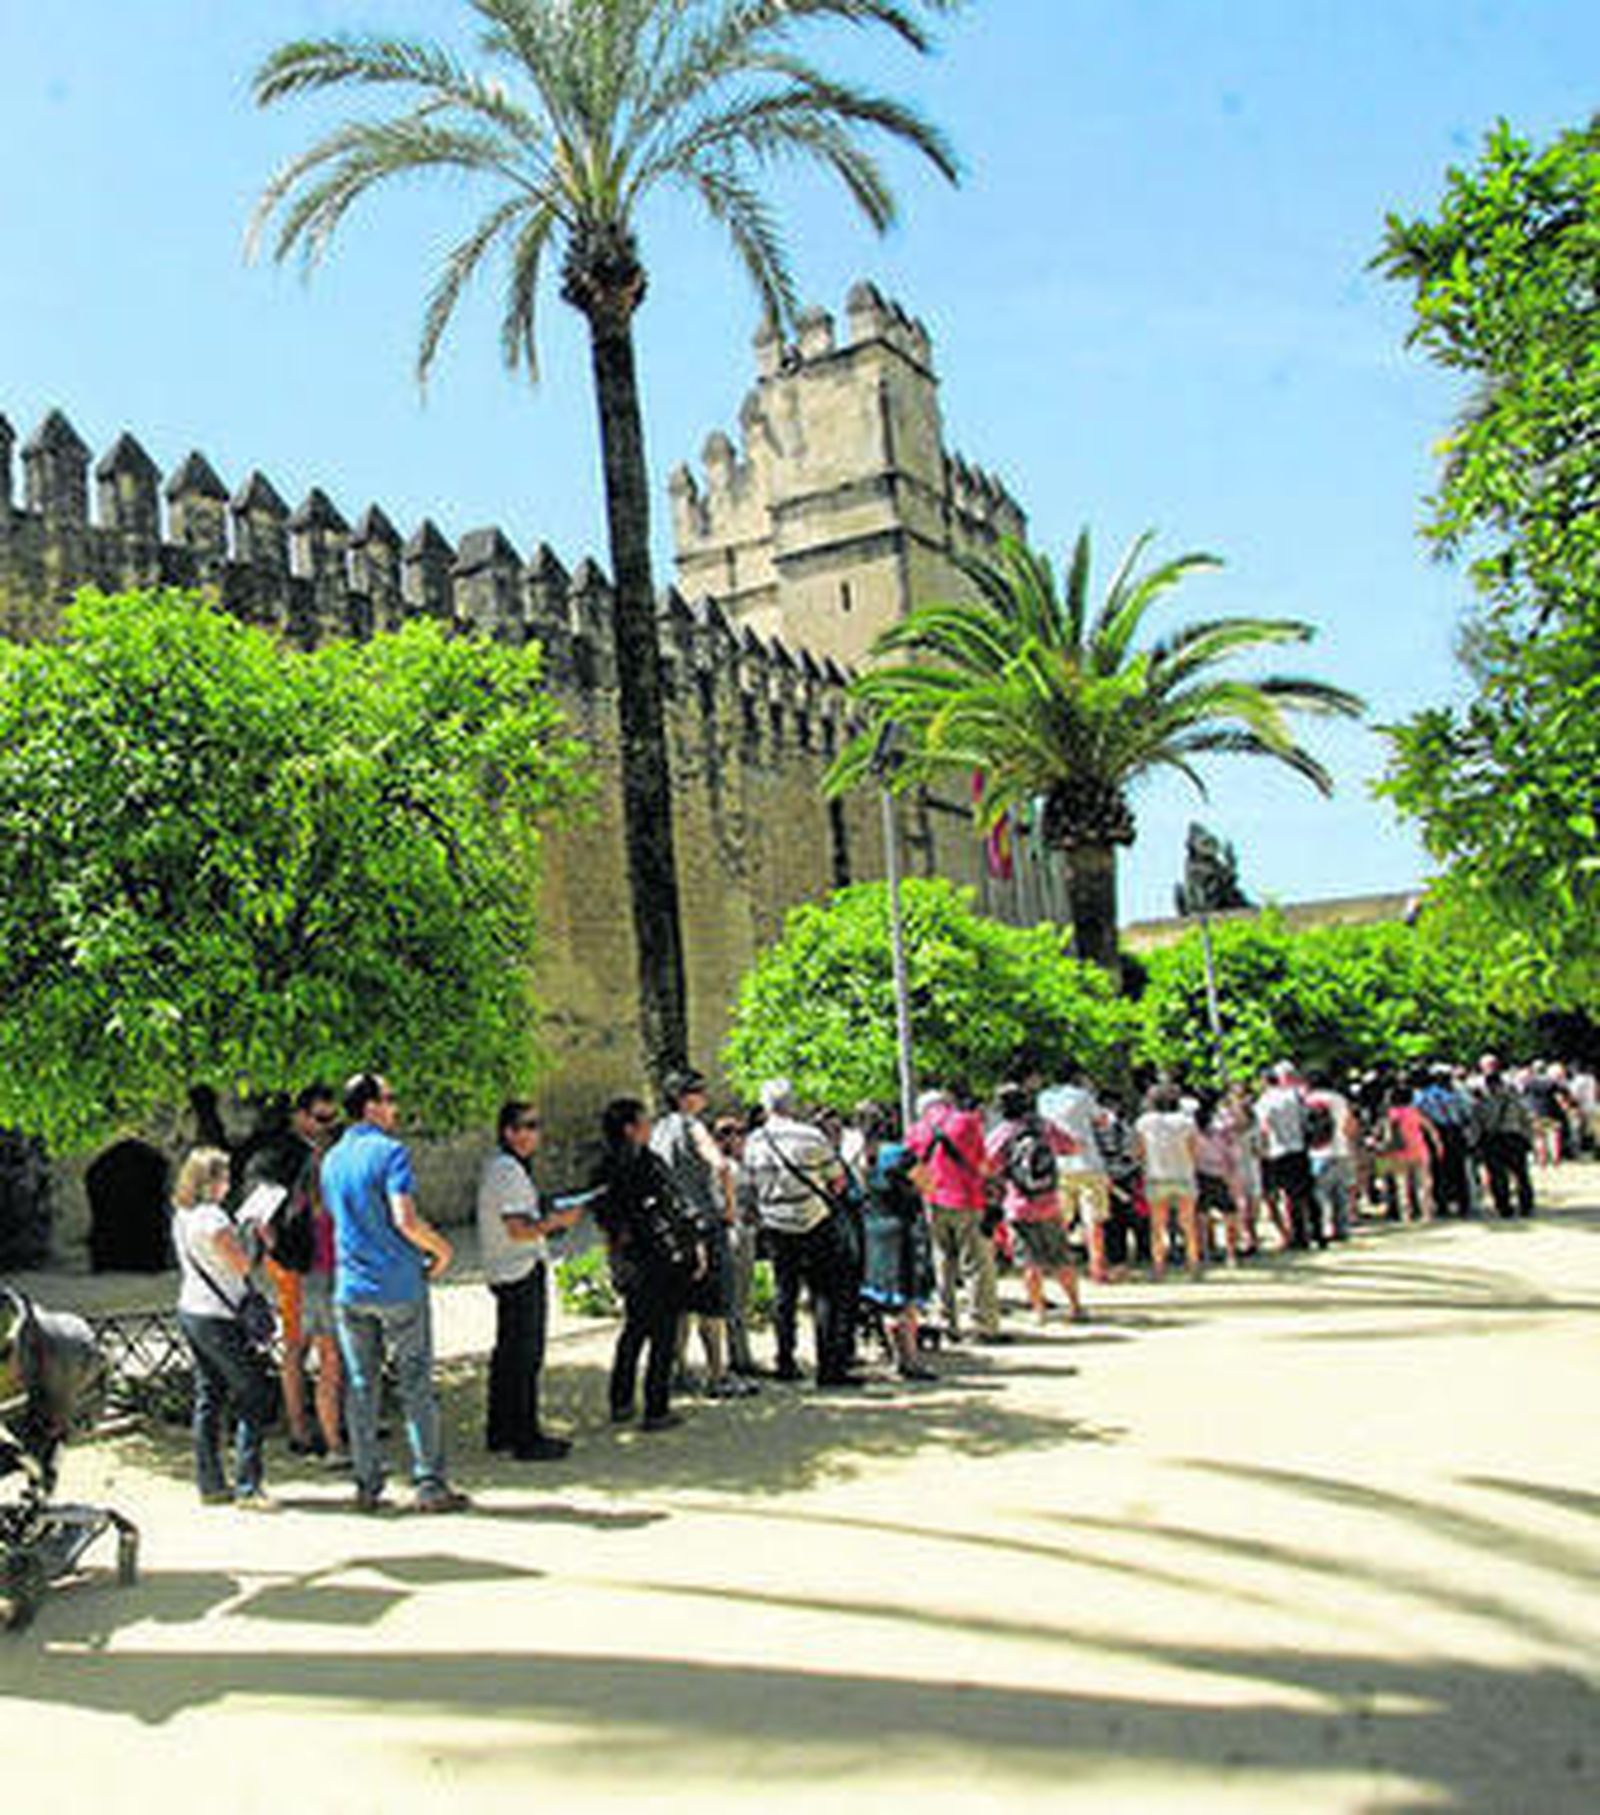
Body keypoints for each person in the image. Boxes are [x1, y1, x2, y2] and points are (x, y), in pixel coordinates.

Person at [320, 1073, 469, 1514]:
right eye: (389, 1099)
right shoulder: (390, 1152)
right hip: (398, 1284)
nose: (395, 1108)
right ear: (370, 1106)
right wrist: (441, 1249)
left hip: (350, 1286)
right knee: (416, 1383)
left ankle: (367, 1484)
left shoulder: (331, 1160)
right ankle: (429, 1482)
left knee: (361, 1386)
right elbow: (404, 1218)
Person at [239, 1082, 344, 1463]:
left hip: (325, 1259)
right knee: (298, 1345)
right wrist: (277, 1249)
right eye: (320, 1118)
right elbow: (258, 1210)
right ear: (299, 1116)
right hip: (296, 1261)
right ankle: (300, 1428)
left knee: (325, 1345)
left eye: (332, 1119)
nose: (327, 1125)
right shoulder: (278, 1154)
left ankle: (326, 1421)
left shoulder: (327, 1149)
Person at [171, 1146, 278, 1511]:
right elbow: (242, 1265)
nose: (228, 1184)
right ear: (210, 1181)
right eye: (224, 1177)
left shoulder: (183, 1216)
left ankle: (211, 1482)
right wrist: (254, 1234)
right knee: (253, 1393)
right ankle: (249, 1485)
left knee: (209, 1395)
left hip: (192, 1308)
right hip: (218, 1315)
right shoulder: (213, 1219)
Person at [479, 1101, 583, 1461]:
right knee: (524, 1356)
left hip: (509, 1269)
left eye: (535, 1126)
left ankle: (502, 1431)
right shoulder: (507, 1170)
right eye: (524, 1126)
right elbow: (518, 1228)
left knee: (510, 1354)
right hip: (519, 1268)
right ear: (508, 1132)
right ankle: (525, 1437)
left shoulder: (505, 1167)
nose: (531, 1134)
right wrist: (558, 1222)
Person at [593, 1097, 703, 1429]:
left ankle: (621, 1401)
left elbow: (604, 1217)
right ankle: (656, 1408)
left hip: (628, 1259)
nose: (650, 1128)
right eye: (645, 1122)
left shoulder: (603, 1168)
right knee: (662, 1333)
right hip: (656, 1258)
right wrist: (690, 1246)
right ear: (630, 1129)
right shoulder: (646, 1165)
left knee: (635, 1330)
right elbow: (672, 1209)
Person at [741, 1079, 857, 1385]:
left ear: (766, 1107)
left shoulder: (754, 1141)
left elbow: (749, 1187)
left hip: (776, 1225)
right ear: (792, 1104)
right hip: (814, 1220)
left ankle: (785, 1361)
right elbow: (838, 1180)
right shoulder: (811, 1136)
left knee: (785, 1293)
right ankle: (829, 1367)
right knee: (824, 1294)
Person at [652, 1069, 755, 1399]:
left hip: (674, 1226)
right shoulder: (692, 1126)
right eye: (699, 1090)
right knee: (712, 1306)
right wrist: (728, 1206)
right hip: (704, 1224)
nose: (705, 1096)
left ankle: (679, 1371)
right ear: (685, 1096)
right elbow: (721, 1165)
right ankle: (717, 1375)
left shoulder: (659, 1131)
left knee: (681, 1304)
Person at [907, 1085, 1001, 1343]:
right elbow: (983, 1163)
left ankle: (948, 1322)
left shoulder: (917, 1130)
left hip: (933, 1202)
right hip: (969, 1199)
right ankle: (982, 1325)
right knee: (976, 1264)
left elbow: (913, 1170)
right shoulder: (967, 1122)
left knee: (942, 1262)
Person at [987, 1083, 1083, 1322]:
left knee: (1029, 1261)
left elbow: (987, 1164)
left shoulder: (1003, 1133)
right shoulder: (1044, 1127)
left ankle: (1039, 1311)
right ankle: (1075, 1306)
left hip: (1018, 1205)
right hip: (1049, 1201)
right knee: (1061, 1257)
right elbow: (1072, 1147)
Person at [857, 1107, 937, 1379]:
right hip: (901, 1229)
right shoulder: (898, 1154)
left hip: (873, 1228)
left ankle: (894, 1353)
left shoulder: (860, 1155)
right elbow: (929, 1184)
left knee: (884, 1295)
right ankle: (909, 1360)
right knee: (905, 1297)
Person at [1038, 1069, 1114, 1283]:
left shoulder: (1044, 1098)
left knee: (1061, 1220)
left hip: (1058, 1164)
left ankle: (1058, 1266)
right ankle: (1097, 1268)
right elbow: (1102, 1120)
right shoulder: (1082, 1096)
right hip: (1088, 1163)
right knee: (1094, 1219)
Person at [1133, 1084, 1202, 1278]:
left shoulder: (1144, 1122)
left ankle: (1159, 1267)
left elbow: (1139, 1151)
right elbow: (1194, 1149)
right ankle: (1193, 1265)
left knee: (1157, 1225)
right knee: (1188, 1224)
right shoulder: (1186, 1122)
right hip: (1183, 1174)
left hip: (1156, 1176)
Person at [712, 1113, 760, 1377]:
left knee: (739, 1299)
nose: (743, 1138)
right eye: (737, 1133)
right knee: (736, 1299)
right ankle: (739, 1359)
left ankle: (741, 1355)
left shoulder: (734, 1164)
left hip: (742, 1232)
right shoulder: (726, 1167)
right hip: (735, 1233)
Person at [1255, 1061, 1321, 1249]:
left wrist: (1262, 1150)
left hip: (1278, 1151)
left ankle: (1299, 1235)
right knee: (1307, 1193)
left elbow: (1264, 1128)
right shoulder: (1293, 1096)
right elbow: (1305, 1118)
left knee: (1289, 1196)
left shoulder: (1264, 1101)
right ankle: (1317, 1231)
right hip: (1299, 1148)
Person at [1474, 1057, 1536, 1219]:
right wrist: (1529, 1138)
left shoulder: (1482, 1101)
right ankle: (1526, 1205)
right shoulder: (1514, 1095)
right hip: (1514, 1137)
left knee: (1497, 1175)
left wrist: (1475, 1141)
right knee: (1521, 1174)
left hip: (1493, 1139)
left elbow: (1478, 1122)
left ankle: (1504, 1207)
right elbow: (1525, 1117)